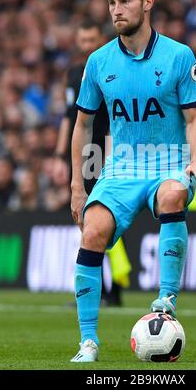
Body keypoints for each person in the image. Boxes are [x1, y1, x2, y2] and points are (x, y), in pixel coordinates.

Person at [70, 0, 196, 362]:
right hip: (121, 166)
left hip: (170, 161)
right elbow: (82, 125)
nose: (117, 11)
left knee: (172, 195)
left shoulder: (179, 56)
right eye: (112, 3)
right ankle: (88, 341)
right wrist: (77, 186)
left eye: (126, 1)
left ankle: (165, 298)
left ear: (148, 3)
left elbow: (194, 119)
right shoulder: (98, 62)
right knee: (92, 232)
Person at [53, 20, 130, 306]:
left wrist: (114, 152)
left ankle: (110, 287)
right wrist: (60, 157)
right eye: (82, 41)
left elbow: (118, 114)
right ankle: (100, 288)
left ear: (102, 39)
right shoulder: (74, 74)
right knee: (88, 220)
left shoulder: (115, 68)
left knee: (103, 217)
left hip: (107, 150)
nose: (86, 46)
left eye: (91, 40)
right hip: (83, 153)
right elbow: (68, 117)